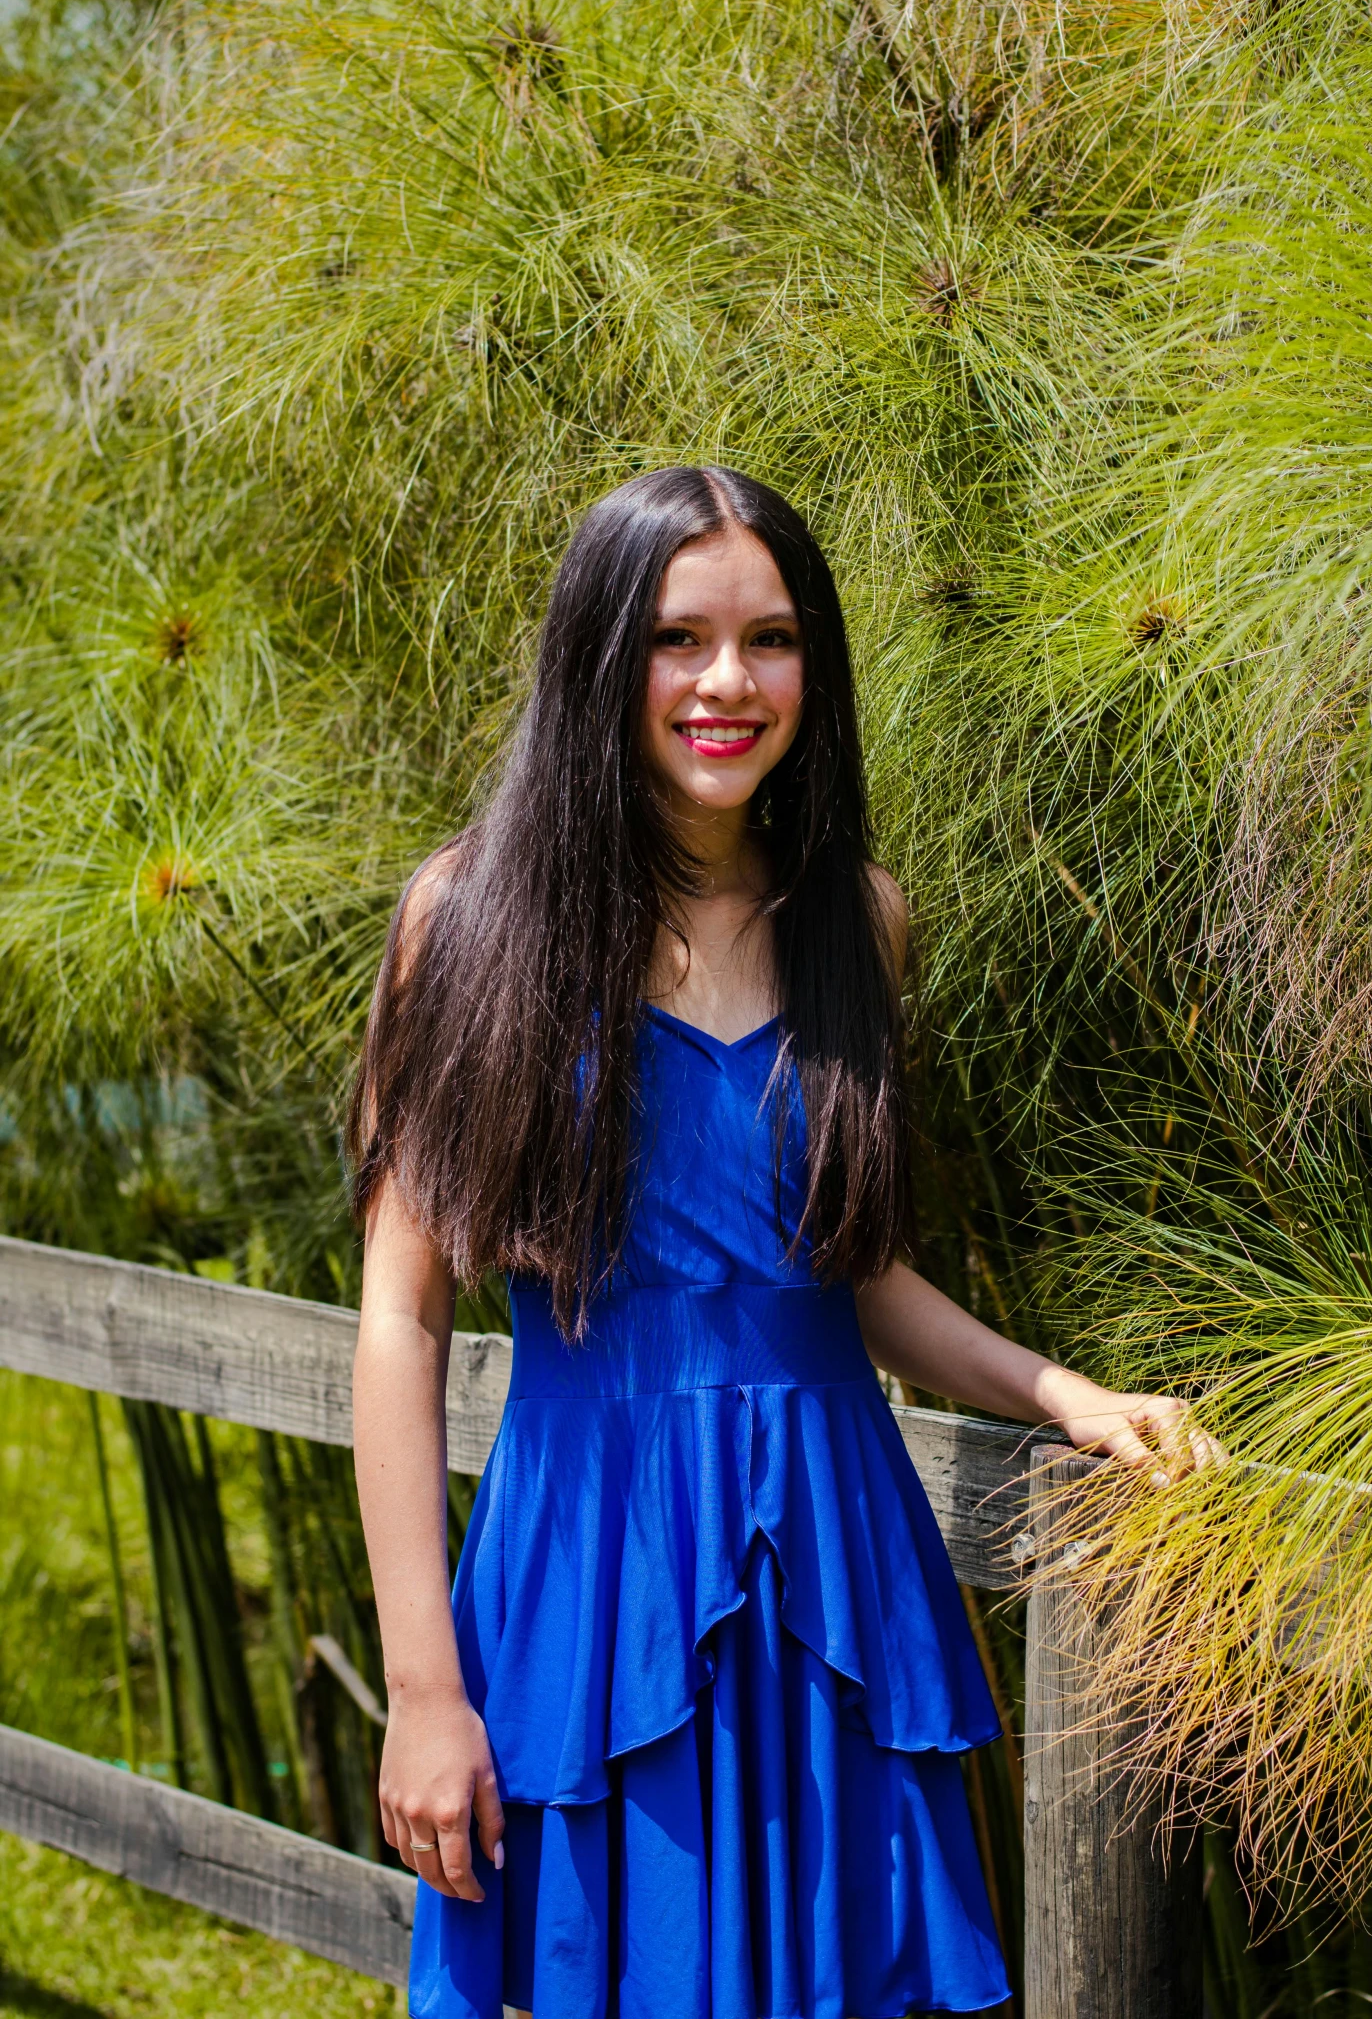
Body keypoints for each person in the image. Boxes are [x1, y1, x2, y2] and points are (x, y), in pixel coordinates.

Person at [349, 466, 1214, 2019]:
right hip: (586, 1558)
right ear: (600, 655)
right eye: (680, 638)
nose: (728, 682)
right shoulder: (466, 915)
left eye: (771, 637)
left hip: (829, 1558)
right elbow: (401, 1318)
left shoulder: (856, 918)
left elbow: (851, 1270)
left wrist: (1060, 1391)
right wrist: (423, 1687)